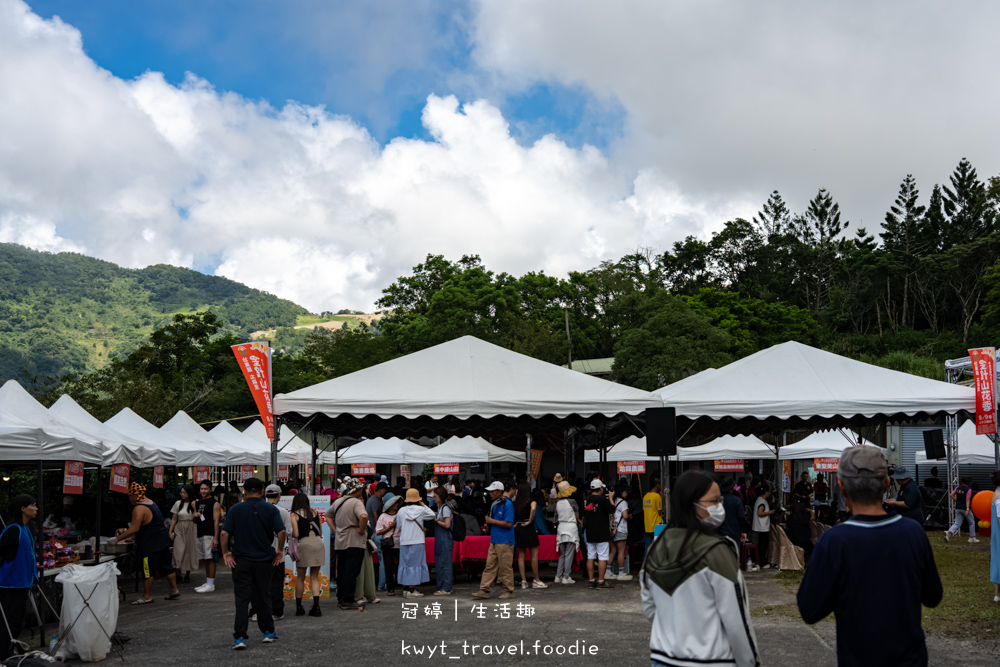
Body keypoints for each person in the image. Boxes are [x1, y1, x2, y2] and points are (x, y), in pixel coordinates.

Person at [797, 446, 942, 665]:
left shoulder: (833, 542)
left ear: (841, 487)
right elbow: (933, 596)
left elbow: (809, 610)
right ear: (886, 484)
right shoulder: (914, 533)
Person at [640, 470, 758, 667]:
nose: (719, 507)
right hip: (711, 660)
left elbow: (650, 608)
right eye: (714, 501)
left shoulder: (656, 548)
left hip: (663, 657)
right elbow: (736, 621)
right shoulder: (719, 551)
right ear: (691, 505)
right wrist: (750, 662)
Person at [220, 477, 285, 650]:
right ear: (263, 490)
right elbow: (281, 531)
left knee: (242, 599)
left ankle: (240, 637)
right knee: (264, 596)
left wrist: (226, 553)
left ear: (244, 492)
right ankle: (268, 632)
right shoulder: (270, 509)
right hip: (264, 560)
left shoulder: (235, 509)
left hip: (241, 560)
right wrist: (279, 550)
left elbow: (224, 533)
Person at [108, 482, 181, 605]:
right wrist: (133, 537)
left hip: (150, 545)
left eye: (129, 496)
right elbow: (148, 525)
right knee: (166, 566)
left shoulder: (139, 508)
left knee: (147, 570)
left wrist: (117, 539)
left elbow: (134, 528)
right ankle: (174, 590)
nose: (129, 499)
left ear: (134, 495)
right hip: (162, 541)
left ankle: (147, 596)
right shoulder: (151, 503)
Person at [0, 494, 38, 660]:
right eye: (33, 505)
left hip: (22, 582)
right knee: (9, 621)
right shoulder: (13, 529)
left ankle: (10, 651)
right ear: (23, 508)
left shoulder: (25, 528)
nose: (36, 508)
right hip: (10, 584)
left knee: (16, 621)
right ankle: (4, 655)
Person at [325, 478, 368, 610]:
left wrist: (335, 529)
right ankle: (348, 599)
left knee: (342, 570)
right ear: (358, 490)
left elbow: (328, 515)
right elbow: (364, 516)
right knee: (352, 571)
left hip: (340, 541)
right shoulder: (356, 502)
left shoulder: (338, 501)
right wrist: (361, 530)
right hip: (354, 540)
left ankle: (341, 597)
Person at [473, 481, 516, 600]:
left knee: (505, 567)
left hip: (505, 540)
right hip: (495, 539)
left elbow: (508, 523)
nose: (490, 494)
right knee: (490, 566)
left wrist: (492, 521)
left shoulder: (507, 504)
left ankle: (508, 591)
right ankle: (484, 590)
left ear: (499, 491)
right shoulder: (496, 503)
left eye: (493, 491)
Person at [396, 488, 436, 598]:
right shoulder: (421, 510)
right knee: (415, 565)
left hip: (405, 541)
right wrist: (422, 504)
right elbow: (432, 515)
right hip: (417, 541)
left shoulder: (401, 511)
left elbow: (399, 525)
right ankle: (412, 590)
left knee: (405, 565)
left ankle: (406, 589)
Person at [290, 492, 325, 617]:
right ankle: (316, 607)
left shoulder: (294, 515)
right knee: (314, 577)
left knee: (300, 577)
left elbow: (296, 534)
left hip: (304, 545)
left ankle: (299, 608)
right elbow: (320, 532)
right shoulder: (315, 513)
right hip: (318, 543)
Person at [264, 484, 293, 621]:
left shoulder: (259, 510)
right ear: (279, 495)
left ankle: (258, 611)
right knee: (276, 583)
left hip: (260, 554)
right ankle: (276, 611)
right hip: (277, 553)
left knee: (260, 583)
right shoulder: (284, 512)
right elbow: (289, 532)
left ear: (265, 495)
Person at [512, 482, 546, 589]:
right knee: (534, 556)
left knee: (521, 556)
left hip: (519, 527)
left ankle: (523, 581)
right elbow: (533, 509)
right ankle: (536, 580)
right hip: (528, 527)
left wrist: (516, 523)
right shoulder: (532, 500)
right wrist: (530, 520)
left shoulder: (516, 502)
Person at [583, 479, 615, 589]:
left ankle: (591, 580)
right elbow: (612, 510)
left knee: (590, 557)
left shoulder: (586, 500)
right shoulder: (602, 499)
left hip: (590, 532)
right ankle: (601, 581)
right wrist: (611, 498)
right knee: (602, 557)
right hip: (602, 533)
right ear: (600, 488)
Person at [193, 480, 222, 593]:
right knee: (205, 559)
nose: (203, 491)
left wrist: (216, 538)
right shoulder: (197, 503)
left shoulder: (214, 503)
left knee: (210, 559)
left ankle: (210, 584)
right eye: (202, 489)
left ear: (210, 489)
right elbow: (194, 521)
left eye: (205, 489)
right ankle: (207, 582)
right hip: (200, 533)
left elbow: (216, 522)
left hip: (209, 534)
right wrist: (195, 516)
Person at [168, 484, 199, 584]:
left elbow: (198, 517)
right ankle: (178, 573)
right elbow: (174, 519)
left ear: (189, 493)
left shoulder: (195, 503)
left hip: (191, 527)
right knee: (178, 550)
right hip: (180, 527)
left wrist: (195, 507)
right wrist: (170, 531)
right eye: (181, 492)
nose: (182, 494)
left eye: (184, 493)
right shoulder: (178, 503)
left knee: (189, 550)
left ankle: (187, 574)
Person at [554, 481, 580, 584]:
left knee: (562, 554)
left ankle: (558, 576)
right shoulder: (572, 501)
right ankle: (566, 576)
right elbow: (577, 516)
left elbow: (557, 517)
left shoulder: (558, 503)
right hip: (571, 529)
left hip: (561, 528)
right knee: (569, 554)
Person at [376, 495, 401, 596]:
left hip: (400, 544)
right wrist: (390, 527)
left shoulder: (400, 514)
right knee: (388, 567)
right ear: (390, 506)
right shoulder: (382, 516)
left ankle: (404, 585)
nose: (397, 505)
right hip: (388, 545)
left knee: (401, 566)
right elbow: (378, 532)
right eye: (395, 503)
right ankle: (390, 588)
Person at [945, 476, 978, 543]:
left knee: (957, 523)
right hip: (965, 508)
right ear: (969, 483)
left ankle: (948, 532)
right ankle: (972, 538)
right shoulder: (968, 490)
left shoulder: (958, 488)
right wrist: (967, 509)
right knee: (972, 523)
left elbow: (951, 495)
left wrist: (956, 500)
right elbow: (967, 499)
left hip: (958, 508)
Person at [610, 483, 632, 580]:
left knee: (612, 551)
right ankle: (621, 573)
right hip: (621, 529)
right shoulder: (623, 503)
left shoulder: (613, 501)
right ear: (621, 492)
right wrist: (630, 516)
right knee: (621, 552)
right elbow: (625, 516)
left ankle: (607, 572)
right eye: (625, 492)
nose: (626, 494)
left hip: (612, 529)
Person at [751, 482, 775, 569]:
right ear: (766, 492)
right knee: (763, 546)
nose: (769, 493)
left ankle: (759, 561)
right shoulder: (762, 502)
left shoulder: (759, 500)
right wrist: (770, 512)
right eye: (769, 491)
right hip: (762, 527)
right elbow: (760, 513)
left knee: (760, 545)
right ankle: (762, 562)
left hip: (758, 526)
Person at [718, 477, 746, 546]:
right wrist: (743, 531)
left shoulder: (717, 500)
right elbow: (741, 518)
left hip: (720, 534)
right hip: (734, 534)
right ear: (732, 488)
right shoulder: (737, 500)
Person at [643, 476, 664, 555]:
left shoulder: (645, 497)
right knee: (659, 549)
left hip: (647, 527)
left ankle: (645, 562)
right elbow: (660, 511)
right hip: (656, 526)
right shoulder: (657, 496)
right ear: (657, 485)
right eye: (660, 485)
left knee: (647, 549)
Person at [990, 470, 1000, 603]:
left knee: (996, 560)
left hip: (996, 533)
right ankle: (997, 594)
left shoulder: (995, 493)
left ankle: (997, 594)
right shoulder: (999, 498)